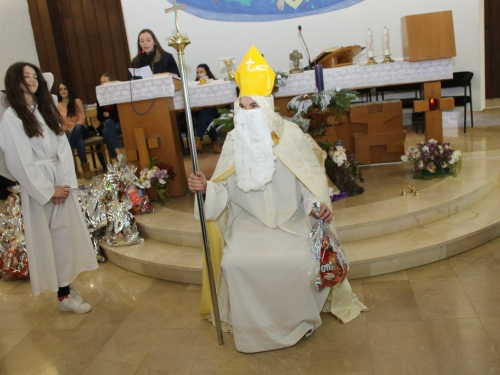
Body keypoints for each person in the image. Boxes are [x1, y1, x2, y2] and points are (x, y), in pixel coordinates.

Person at [188, 46, 366, 353]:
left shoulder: (291, 136)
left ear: (267, 107)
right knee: (235, 261)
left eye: (253, 106)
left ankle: (299, 323)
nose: (247, 115)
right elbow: (223, 192)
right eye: (242, 108)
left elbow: (309, 183)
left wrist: (316, 207)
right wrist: (206, 188)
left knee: (299, 260)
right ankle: (253, 331)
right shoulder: (234, 140)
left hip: (292, 220)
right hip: (248, 223)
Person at [0, 62, 98, 313]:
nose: (32, 80)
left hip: (59, 181)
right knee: (49, 239)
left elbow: (63, 147)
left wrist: (64, 183)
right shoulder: (13, 116)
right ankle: (63, 294)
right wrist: (47, 190)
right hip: (40, 185)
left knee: (64, 237)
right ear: (15, 82)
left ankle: (66, 288)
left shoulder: (45, 108)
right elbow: (18, 161)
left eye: (35, 76)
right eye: (26, 77)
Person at [57, 81, 92, 179]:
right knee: (79, 141)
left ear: (69, 90)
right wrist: (66, 129)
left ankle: (65, 153)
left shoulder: (76, 101)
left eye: (65, 88)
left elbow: (82, 117)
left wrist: (75, 126)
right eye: (60, 89)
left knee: (77, 128)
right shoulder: (57, 105)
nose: (63, 91)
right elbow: (59, 122)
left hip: (81, 129)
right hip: (68, 132)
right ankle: (86, 169)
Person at [97, 72, 124, 164]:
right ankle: (118, 153)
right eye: (101, 82)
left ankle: (115, 159)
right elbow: (99, 116)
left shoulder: (119, 95)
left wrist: (109, 115)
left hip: (120, 125)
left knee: (107, 128)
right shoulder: (100, 97)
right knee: (107, 127)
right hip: (108, 125)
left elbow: (120, 115)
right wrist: (110, 117)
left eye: (104, 82)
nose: (102, 84)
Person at [194, 64, 221, 154]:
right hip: (202, 113)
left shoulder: (214, 83)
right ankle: (216, 143)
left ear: (207, 72)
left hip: (215, 111)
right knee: (207, 116)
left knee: (205, 113)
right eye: (198, 72)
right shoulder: (194, 86)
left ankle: (199, 139)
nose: (199, 74)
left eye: (201, 72)